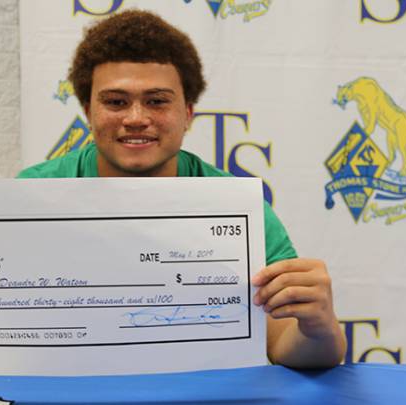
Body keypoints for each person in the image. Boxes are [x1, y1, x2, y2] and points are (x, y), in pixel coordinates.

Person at [18, 9, 346, 368]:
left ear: (188, 114)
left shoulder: (240, 208)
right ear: (88, 111)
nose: (136, 118)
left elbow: (285, 343)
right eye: (116, 102)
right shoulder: (30, 198)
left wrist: (320, 328)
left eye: (157, 101)